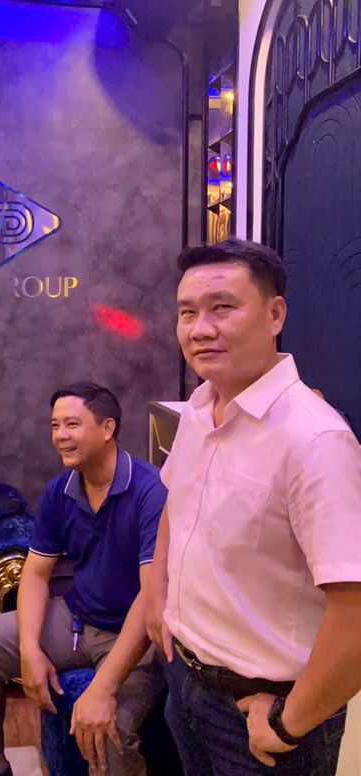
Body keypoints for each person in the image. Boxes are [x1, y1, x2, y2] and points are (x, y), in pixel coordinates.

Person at [118, 240, 361, 774]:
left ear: (275, 315)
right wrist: (158, 590)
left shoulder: (315, 440)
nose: (200, 329)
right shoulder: (199, 408)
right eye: (187, 313)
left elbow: (355, 609)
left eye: (222, 308)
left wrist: (289, 723)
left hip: (264, 711)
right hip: (187, 681)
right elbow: (176, 503)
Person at [0, 383, 165, 776]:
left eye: (72, 424)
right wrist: (30, 650)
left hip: (135, 636)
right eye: (55, 425)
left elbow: (151, 596)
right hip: (77, 620)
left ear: (107, 428)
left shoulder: (151, 490)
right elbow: (35, 573)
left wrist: (102, 689)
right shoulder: (61, 489)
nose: (60, 436)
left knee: (108, 728)